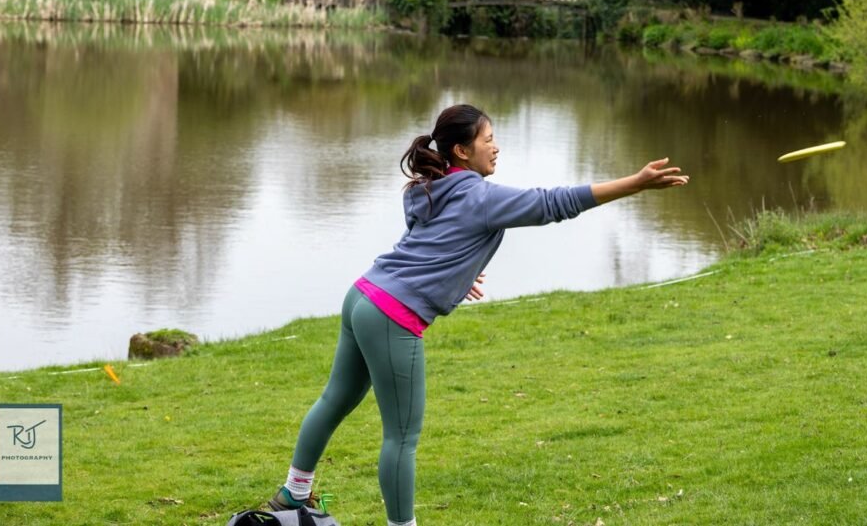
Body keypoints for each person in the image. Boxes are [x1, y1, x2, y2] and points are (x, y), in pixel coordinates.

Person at [266, 104, 689, 526]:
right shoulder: (480, 196)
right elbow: (552, 203)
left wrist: (452, 276)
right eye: (488, 140)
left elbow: (424, 242)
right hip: (393, 313)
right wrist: (634, 183)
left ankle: (292, 494)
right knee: (402, 436)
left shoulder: (429, 186)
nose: (496, 148)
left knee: (334, 400)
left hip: (363, 294)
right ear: (462, 151)